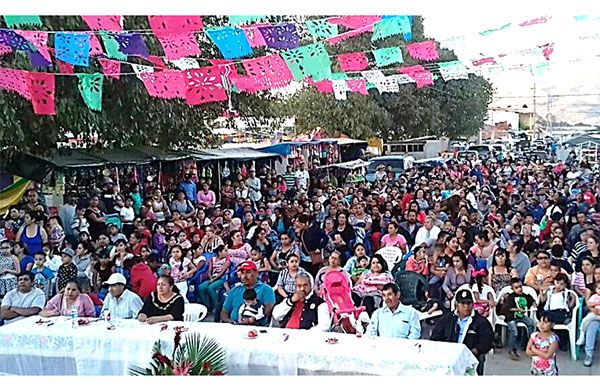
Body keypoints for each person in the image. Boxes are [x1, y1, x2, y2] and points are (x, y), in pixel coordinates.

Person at [430, 289, 494, 375]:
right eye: (463, 303)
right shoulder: (446, 319)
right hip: (448, 356)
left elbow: (487, 341)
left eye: (468, 303)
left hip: (470, 357)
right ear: (456, 304)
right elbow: (435, 337)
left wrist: (474, 351)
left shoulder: (481, 322)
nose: (466, 306)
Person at [220, 260, 275, 325]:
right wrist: (230, 322)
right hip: (234, 326)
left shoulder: (266, 289)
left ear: (256, 274)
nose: (244, 276)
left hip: (256, 327)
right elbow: (224, 312)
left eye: (248, 272)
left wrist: (250, 320)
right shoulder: (235, 290)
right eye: (242, 273)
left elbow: (268, 311)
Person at [498, 278, 537, 361]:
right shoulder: (510, 297)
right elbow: (506, 309)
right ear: (512, 289)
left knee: (531, 323)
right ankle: (511, 350)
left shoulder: (525, 296)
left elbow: (532, 301)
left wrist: (534, 303)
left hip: (521, 317)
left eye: (520, 286)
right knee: (514, 332)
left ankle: (527, 343)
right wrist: (518, 309)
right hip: (511, 317)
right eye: (516, 287)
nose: (519, 289)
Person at [576, 282, 600, 347]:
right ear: (596, 289)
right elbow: (588, 304)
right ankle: (582, 335)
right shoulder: (594, 296)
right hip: (595, 314)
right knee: (585, 320)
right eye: (599, 288)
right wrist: (596, 303)